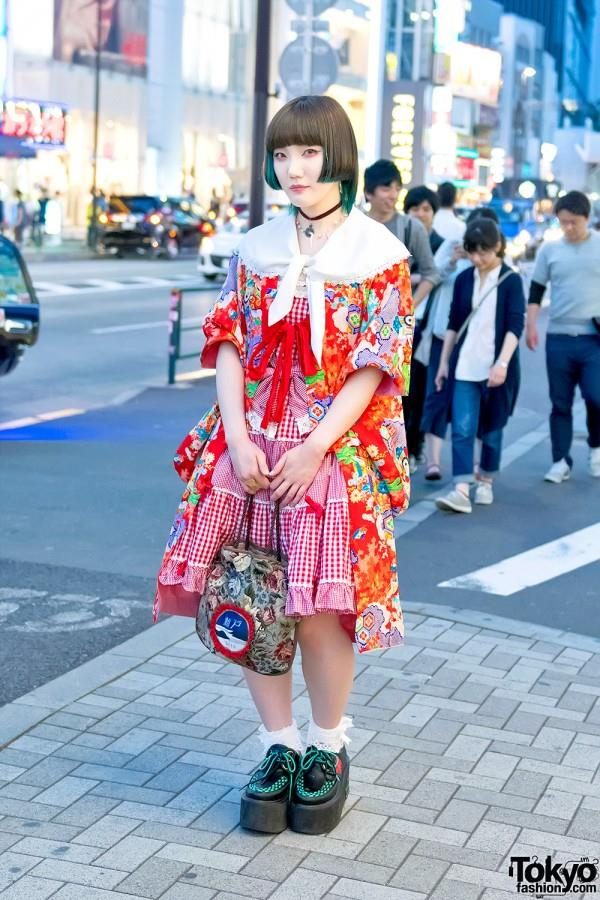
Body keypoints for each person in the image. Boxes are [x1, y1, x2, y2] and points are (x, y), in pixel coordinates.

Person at [154, 95, 414, 834]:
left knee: (323, 608)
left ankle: (328, 747)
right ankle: (277, 744)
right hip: (252, 449)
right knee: (253, 592)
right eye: (284, 154)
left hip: (330, 452)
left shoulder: (379, 255)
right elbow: (230, 344)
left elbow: (375, 365)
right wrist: (237, 438)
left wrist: (315, 446)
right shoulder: (256, 246)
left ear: (339, 159)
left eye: (308, 154)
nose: (294, 169)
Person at [434, 218, 525, 513]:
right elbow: (453, 324)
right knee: (462, 427)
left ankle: (485, 479)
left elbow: (515, 325)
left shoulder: (511, 280)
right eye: (472, 252)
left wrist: (502, 363)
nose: (477, 258)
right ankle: (461, 487)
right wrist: (444, 363)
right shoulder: (464, 279)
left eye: (483, 252)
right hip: (464, 366)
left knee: (493, 427)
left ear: (497, 246)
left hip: (497, 367)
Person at [364, 160, 439, 471]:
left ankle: (396, 460)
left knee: (394, 395)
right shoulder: (352, 225)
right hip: (356, 325)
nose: (392, 194)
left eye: (396, 188)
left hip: (396, 330)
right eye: (386, 188)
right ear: (368, 192)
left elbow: (431, 273)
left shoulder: (410, 227)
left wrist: (408, 306)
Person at [420, 207, 502, 480]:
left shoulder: (498, 263)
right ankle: (433, 462)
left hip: (479, 344)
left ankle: (478, 465)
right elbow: (431, 278)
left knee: (479, 403)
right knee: (437, 397)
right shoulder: (452, 248)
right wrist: (453, 262)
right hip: (444, 334)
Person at [526, 190, 600, 482]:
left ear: (587, 218)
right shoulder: (549, 250)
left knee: (596, 398)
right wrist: (531, 326)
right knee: (560, 402)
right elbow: (536, 290)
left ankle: (596, 449)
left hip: (594, 338)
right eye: (563, 222)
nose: (568, 228)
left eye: (574, 222)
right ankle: (560, 460)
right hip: (558, 336)